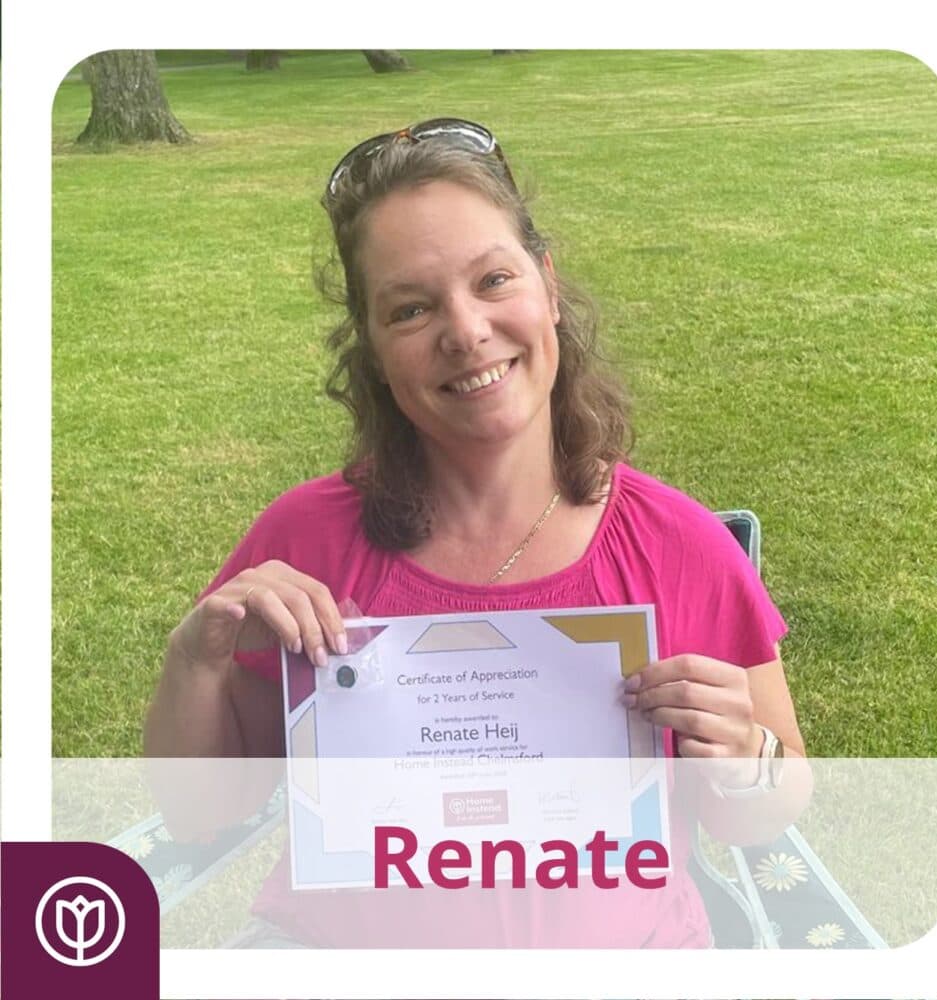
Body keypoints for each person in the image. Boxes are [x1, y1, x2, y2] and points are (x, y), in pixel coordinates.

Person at [145, 118, 807, 948]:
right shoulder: (303, 541)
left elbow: (770, 809)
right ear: (375, 347)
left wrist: (746, 755)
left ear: (549, 287)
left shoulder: (677, 545)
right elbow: (202, 809)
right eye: (412, 308)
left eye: (493, 280)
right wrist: (193, 661)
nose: (465, 331)